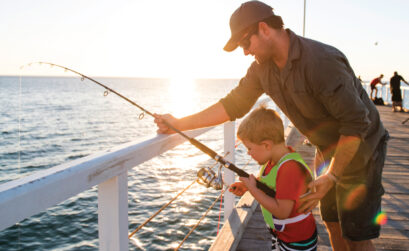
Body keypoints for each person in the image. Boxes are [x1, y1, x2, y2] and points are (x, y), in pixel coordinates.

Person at [154, 1, 388, 250]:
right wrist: (179, 123)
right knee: (332, 222)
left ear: (264, 29)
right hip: (325, 148)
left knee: (356, 235)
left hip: (362, 147)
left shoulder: (322, 61)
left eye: (245, 43)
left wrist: (332, 176)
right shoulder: (261, 69)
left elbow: (356, 123)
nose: (245, 52)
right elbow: (232, 105)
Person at [229, 105, 317, 250]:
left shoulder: (289, 168)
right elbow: (268, 185)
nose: (248, 154)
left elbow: (282, 212)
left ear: (266, 145)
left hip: (298, 242)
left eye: (249, 148)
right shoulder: (271, 162)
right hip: (282, 236)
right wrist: (247, 187)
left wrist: (253, 190)